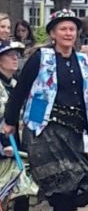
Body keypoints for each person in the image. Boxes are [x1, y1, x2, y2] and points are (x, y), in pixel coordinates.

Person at [2, 9, 88, 211]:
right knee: (62, 188)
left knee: (80, 185)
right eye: (63, 29)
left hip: (74, 131)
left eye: (72, 29)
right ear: (53, 34)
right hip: (44, 130)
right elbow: (20, 91)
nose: (68, 33)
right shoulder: (40, 58)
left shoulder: (84, 61)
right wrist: (9, 121)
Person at [0, 40, 34, 210]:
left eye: (17, 55)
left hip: (18, 147)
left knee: (22, 194)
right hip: (3, 148)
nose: (15, 59)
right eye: (10, 55)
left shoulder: (16, 85)